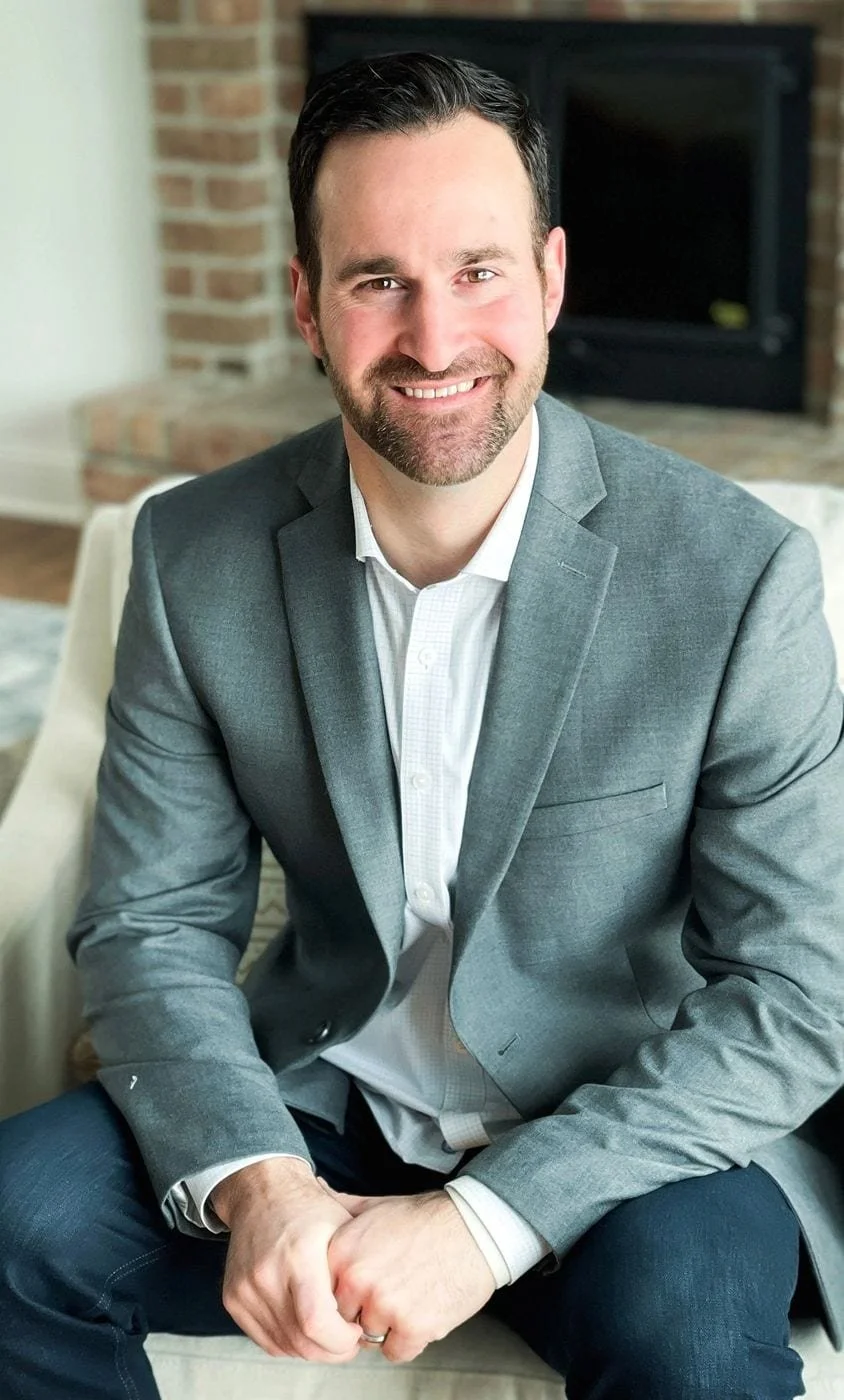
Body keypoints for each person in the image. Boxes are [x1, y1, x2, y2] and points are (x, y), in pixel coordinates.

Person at [1, 50, 843, 1400]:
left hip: (634, 1140)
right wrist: (261, 1186)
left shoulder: (737, 576)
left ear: (553, 277)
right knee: (11, 1226)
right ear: (305, 302)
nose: (436, 340)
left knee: (688, 1337)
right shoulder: (191, 555)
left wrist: (481, 1225)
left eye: (478, 271)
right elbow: (152, 919)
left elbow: (801, 993)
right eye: (376, 279)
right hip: (328, 1110)